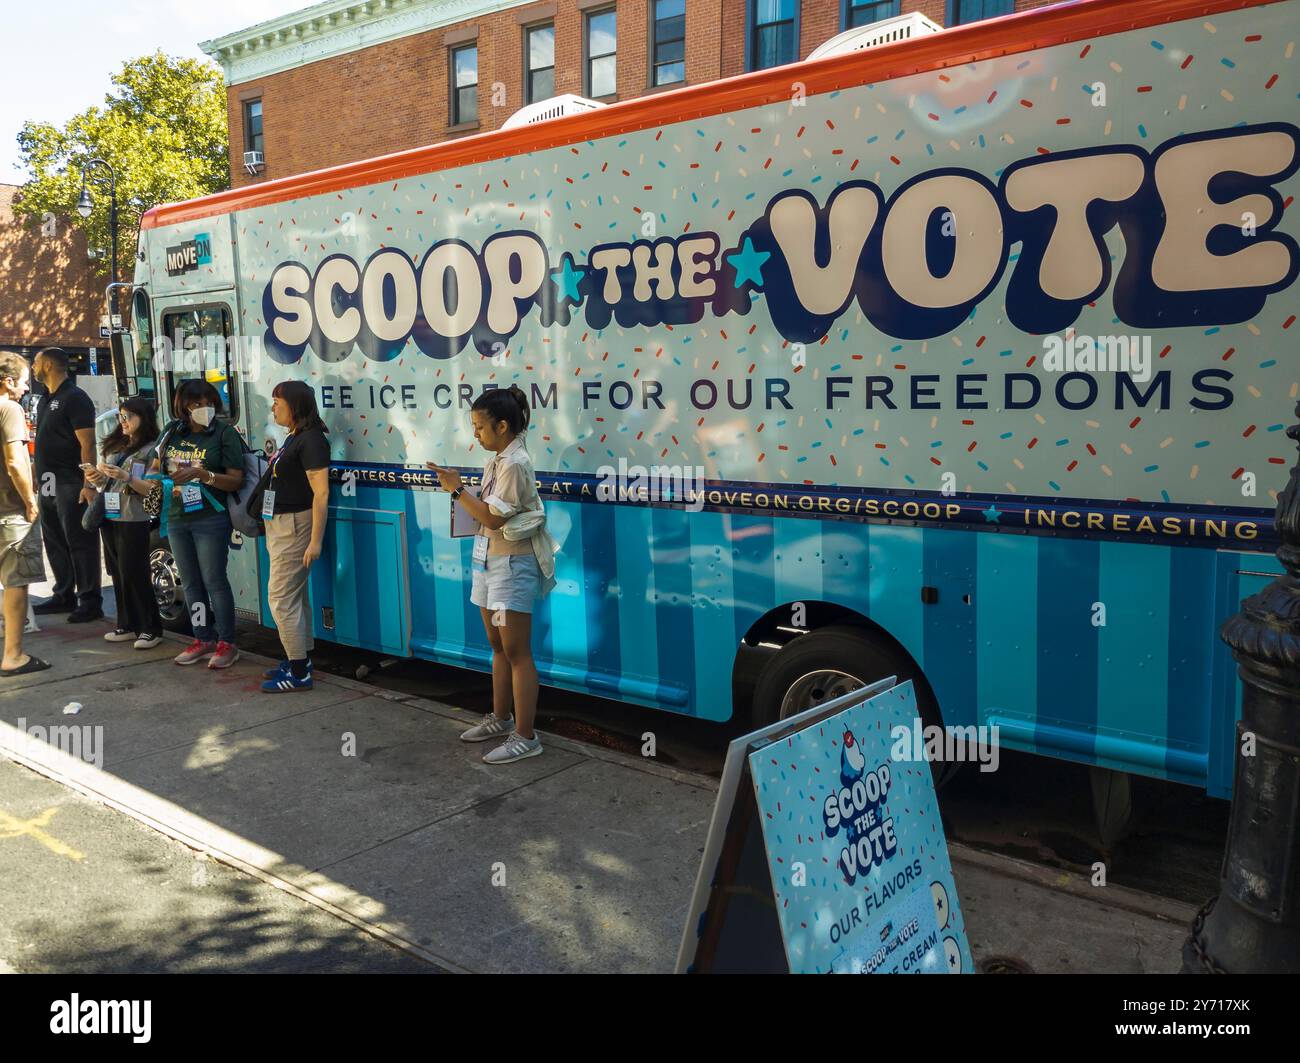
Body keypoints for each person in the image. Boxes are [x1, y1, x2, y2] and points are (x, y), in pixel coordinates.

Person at [427, 385, 557, 765]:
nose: (475, 434)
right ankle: (500, 718)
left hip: (510, 568)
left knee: (516, 651)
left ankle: (526, 736)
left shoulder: (515, 463)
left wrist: (456, 489)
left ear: (503, 426)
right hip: (489, 563)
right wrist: (460, 488)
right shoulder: (498, 459)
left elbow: (493, 516)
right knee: (497, 645)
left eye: (480, 427)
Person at [151, 379, 244, 668]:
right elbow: (154, 467)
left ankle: (227, 642)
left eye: (209, 403)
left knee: (214, 581)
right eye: (197, 404)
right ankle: (202, 637)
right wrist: (155, 476)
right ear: (183, 407)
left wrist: (204, 476)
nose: (205, 408)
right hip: (176, 517)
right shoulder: (171, 432)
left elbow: (236, 480)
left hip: (211, 518)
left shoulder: (224, 433)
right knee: (190, 584)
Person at [258, 380, 330, 693]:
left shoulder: (312, 440)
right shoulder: (295, 437)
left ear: (295, 405)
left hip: (295, 526)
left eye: (278, 402)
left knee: (280, 597)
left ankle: (298, 673)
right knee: (296, 598)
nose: (273, 407)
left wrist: (315, 541)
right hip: (281, 524)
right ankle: (299, 658)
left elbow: (322, 494)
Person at [31, 347, 103, 622]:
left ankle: (90, 600)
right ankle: (63, 595)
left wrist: (89, 483)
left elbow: (88, 443)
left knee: (79, 540)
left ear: (48, 365)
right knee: (54, 540)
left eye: (36, 362)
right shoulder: (44, 399)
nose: (33, 367)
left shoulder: (75, 398)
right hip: (48, 482)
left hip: (70, 482)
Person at [86, 398, 163, 650]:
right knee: (117, 572)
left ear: (144, 417)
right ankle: (127, 624)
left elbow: (150, 489)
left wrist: (126, 476)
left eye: (129, 416)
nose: (124, 422)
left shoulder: (153, 448)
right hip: (110, 513)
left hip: (134, 516)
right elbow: (108, 485)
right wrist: (97, 478)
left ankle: (150, 628)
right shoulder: (116, 445)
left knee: (135, 572)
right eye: (121, 416)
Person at [0, 352, 49, 676]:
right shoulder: (10, 409)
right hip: (10, 511)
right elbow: (15, 461)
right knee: (16, 582)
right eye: (24, 383)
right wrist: (30, 502)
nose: (25, 390)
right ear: (8, 381)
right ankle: (13, 655)